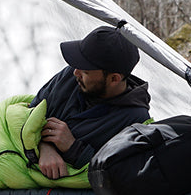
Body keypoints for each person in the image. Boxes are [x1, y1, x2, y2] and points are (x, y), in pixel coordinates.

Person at [30, 23, 151, 179]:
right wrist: (45, 147)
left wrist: (73, 148)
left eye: (85, 70)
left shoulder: (135, 120)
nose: (75, 72)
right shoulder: (69, 77)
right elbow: (30, 113)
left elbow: (120, 174)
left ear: (114, 79)